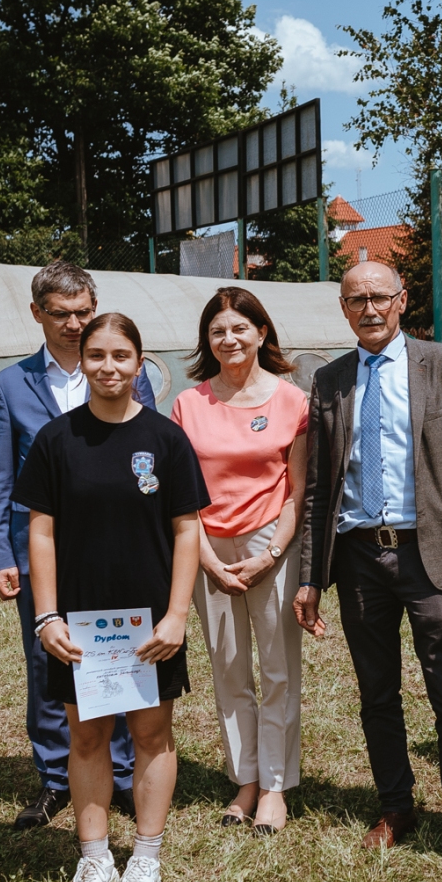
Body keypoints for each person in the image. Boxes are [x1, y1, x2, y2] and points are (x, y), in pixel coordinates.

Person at [293, 261, 442, 881]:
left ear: (403, 300)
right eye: (357, 300)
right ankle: (395, 806)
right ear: (344, 309)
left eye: (380, 296)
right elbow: (318, 487)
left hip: (431, 553)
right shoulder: (329, 380)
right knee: (376, 693)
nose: (370, 308)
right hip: (358, 557)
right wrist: (309, 576)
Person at [13, 313, 209, 882]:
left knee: (151, 734)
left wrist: (176, 615)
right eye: (96, 355)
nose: (108, 367)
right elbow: (40, 533)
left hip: (150, 624)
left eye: (121, 356)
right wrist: (47, 616)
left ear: (139, 362)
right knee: (88, 735)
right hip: (80, 624)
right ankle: (94, 858)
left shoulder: (166, 440)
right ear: (83, 361)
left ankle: (145, 857)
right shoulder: (56, 440)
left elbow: (187, 530)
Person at [0, 261, 156, 831]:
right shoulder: (11, 384)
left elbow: (148, 461)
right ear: (37, 313)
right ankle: (56, 777)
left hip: (117, 545)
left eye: (83, 312)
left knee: (122, 648)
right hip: (40, 546)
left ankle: (122, 772)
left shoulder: (122, 371)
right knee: (48, 658)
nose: (75, 324)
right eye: (61, 314)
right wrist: (1, 554)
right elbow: (0, 475)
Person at [171, 287, 310, 835]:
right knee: (228, 669)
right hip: (207, 546)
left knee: (278, 670)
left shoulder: (292, 401)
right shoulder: (189, 404)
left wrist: (271, 554)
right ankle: (245, 779)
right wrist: (206, 558)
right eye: (217, 331)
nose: (228, 339)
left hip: (271, 544)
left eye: (238, 328)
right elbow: (182, 495)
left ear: (261, 332)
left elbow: (298, 492)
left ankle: (274, 785)